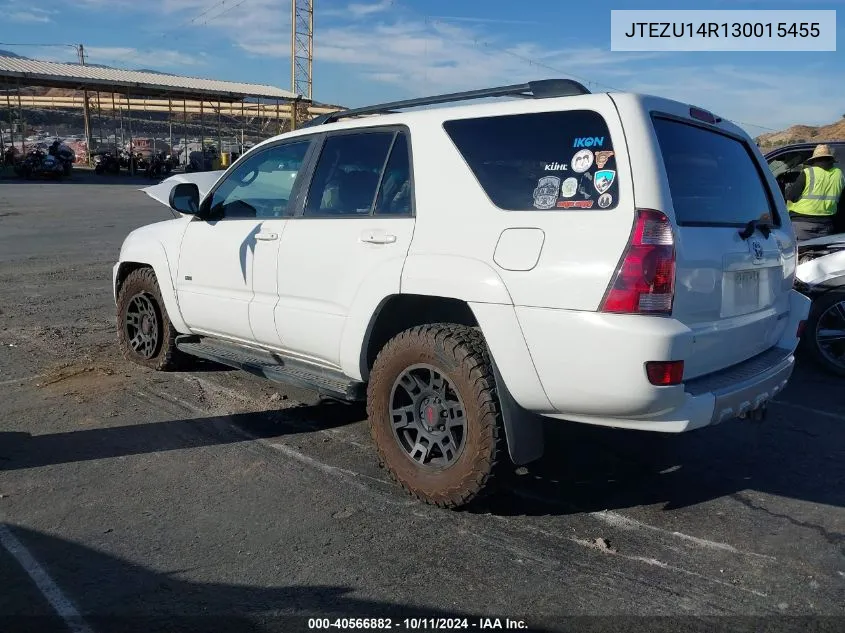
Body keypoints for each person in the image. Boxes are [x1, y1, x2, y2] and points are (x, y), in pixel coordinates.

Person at [785, 144, 845, 241]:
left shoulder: (808, 172)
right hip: (826, 225)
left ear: (814, 160)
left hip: (801, 225)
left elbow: (791, 196)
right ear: (830, 160)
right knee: (821, 255)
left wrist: (787, 189)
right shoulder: (839, 174)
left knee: (799, 253)